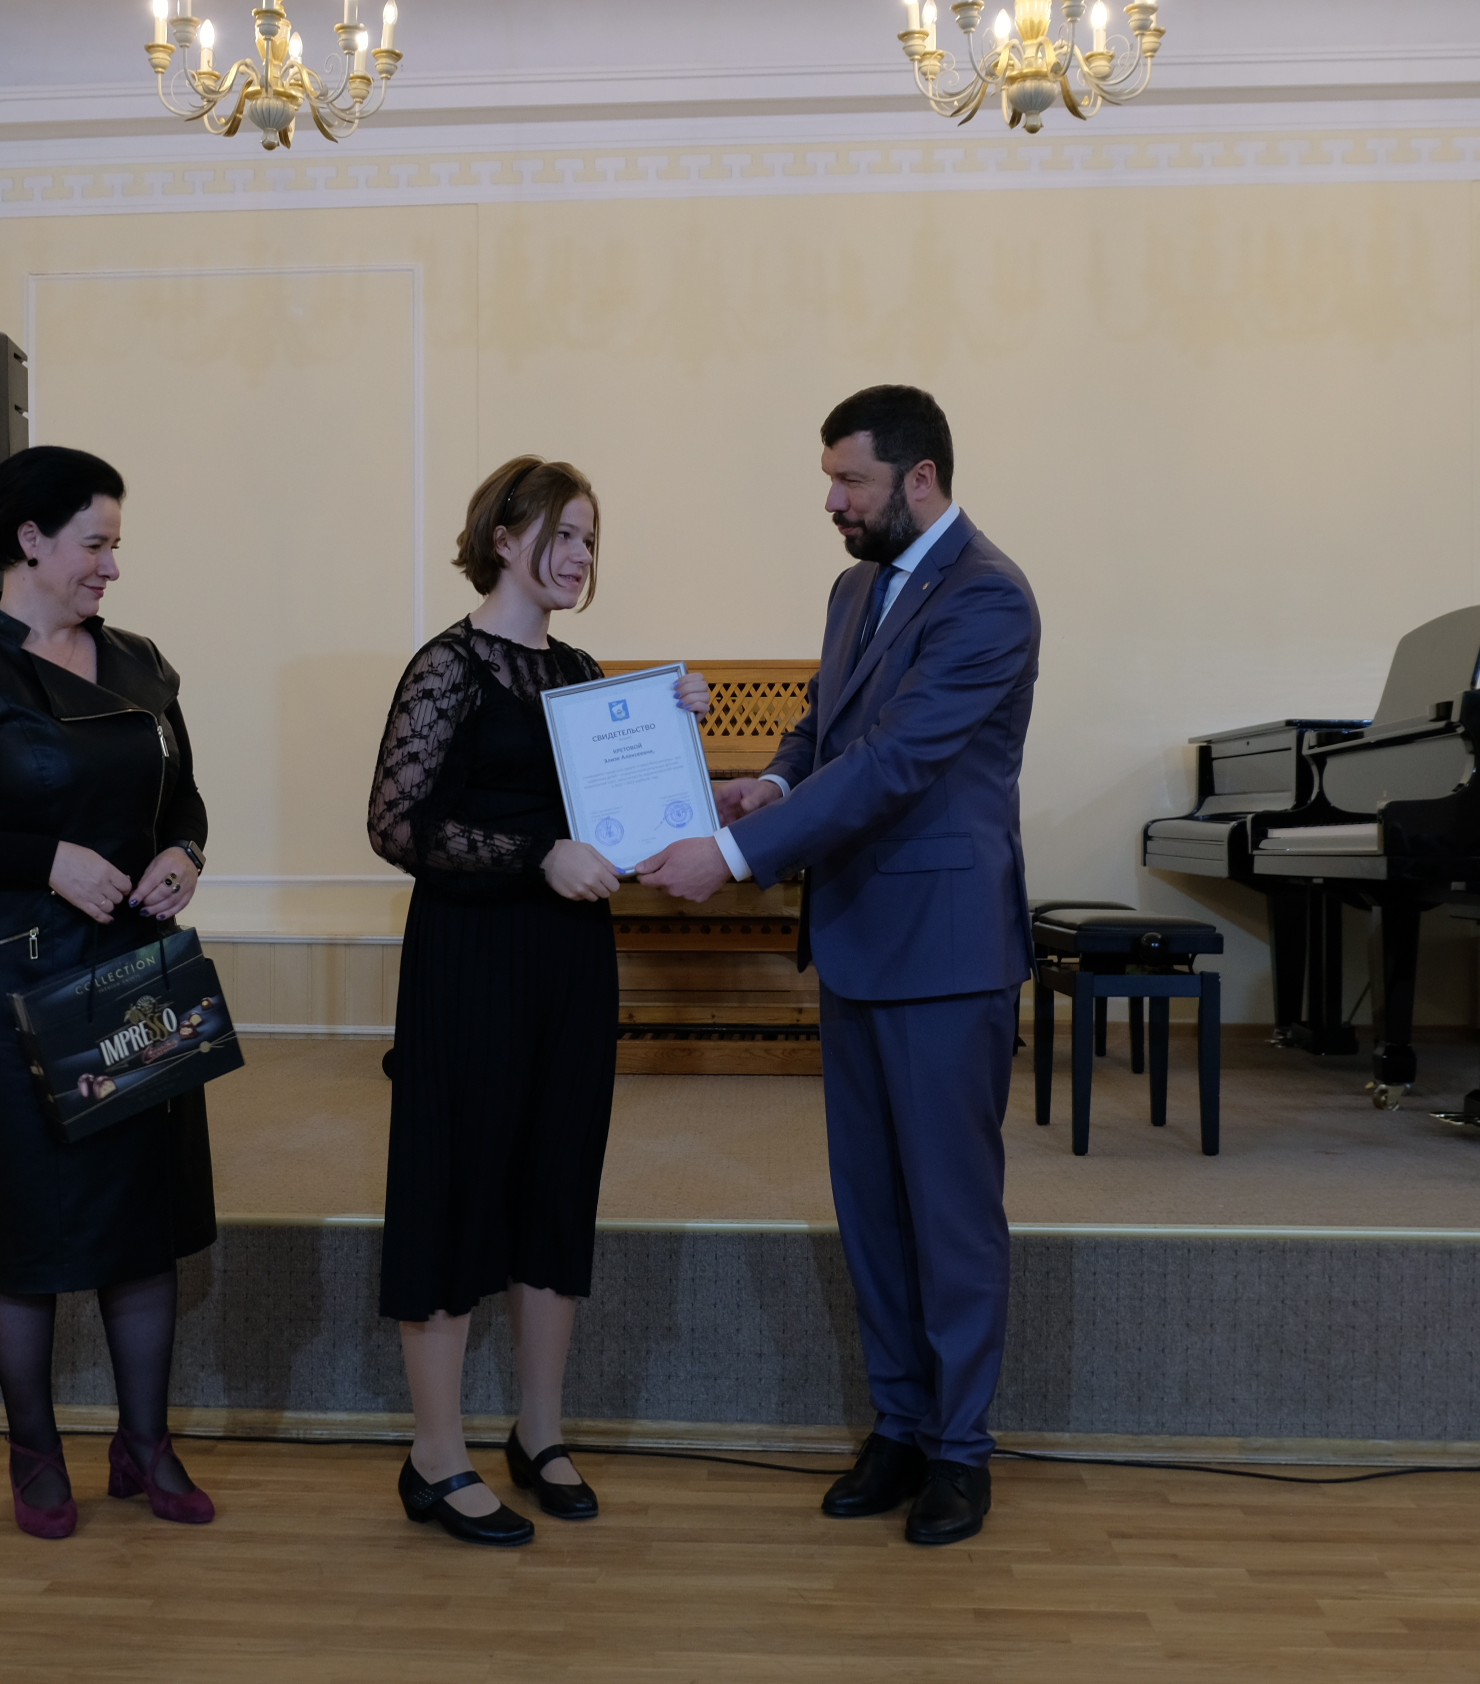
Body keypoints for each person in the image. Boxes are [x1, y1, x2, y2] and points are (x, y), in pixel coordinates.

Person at [635, 386, 1039, 1547]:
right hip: (858, 937)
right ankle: (899, 1424)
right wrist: (767, 780)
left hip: (944, 950)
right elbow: (827, 730)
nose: (831, 502)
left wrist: (733, 853)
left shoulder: (989, 596)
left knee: (948, 1215)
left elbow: (895, 763)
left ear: (919, 477)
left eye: (848, 481)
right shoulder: (855, 587)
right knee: (869, 1208)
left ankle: (959, 1449)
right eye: (829, 480)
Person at [0, 445, 220, 1541]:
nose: (112, 566)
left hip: (132, 976)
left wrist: (184, 854)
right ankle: (34, 1453)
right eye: (94, 543)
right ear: (29, 540)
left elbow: (185, 798)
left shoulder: (142, 665)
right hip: (6, 987)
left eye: (115, 544)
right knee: (23, 1222)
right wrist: (46, 860)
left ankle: (145, 1445)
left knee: (141, 1219)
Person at [365, 455, 708, 1547]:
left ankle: (539, 1433)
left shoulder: (583, 672)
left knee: (556, 1182)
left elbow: (622, 817)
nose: (579, 557)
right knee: (455, 1183)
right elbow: (394, 824)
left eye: (591, 540)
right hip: (471, 956)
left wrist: (678, 731)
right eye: (562, 534)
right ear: (504, 538)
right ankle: (435, 1455)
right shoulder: (447, 665)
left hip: (569, 958)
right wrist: (533, 856)